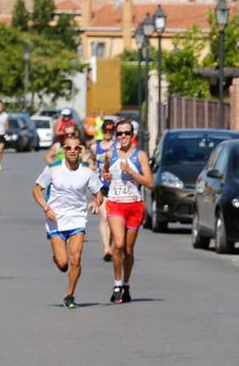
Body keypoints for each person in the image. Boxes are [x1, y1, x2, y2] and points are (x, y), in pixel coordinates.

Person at [32, 133, 105, 308]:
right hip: (56, 219)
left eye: (76, 148)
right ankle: (57, 259)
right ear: (63, 150)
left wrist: (96, 203)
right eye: (68, 148)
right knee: (63, 263)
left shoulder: (87, 172)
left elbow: (99, 194)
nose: (72, 151)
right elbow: (36, 190)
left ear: (80, 151)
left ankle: (70, 296)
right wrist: (47, 208)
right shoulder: (53, 169)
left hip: (77, 219)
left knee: (76, 259)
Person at [101, 119, 152, 303]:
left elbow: (150, 183)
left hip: (134, 205)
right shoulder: (110, 154)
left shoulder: (140, 156)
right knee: (119, 245)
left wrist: (131, 172)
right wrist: (106, 177)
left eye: (127, 133)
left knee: (129, 250)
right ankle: (117, 284)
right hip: (115, 204)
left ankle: (126, 284)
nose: (123, 136)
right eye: (120, 133)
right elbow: (105, 174)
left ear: (132, 135)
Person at [90, 118, 116, 261]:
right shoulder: (96, 147)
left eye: (110, 131)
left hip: (115, 187)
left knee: (112, 219)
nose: (108, 133)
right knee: (104, 217)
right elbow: (91, 161)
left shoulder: (117, 147)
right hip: (101, 187)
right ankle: (106, 248)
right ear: (102, 131)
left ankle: (110, 246)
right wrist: (91, 167)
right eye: (106, 130)